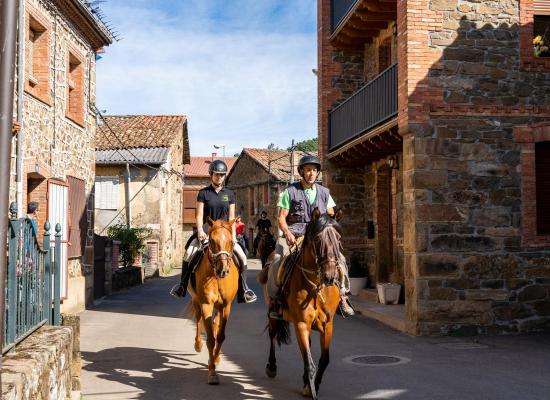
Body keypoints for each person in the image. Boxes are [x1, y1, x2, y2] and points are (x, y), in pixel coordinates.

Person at [267, 155, 355, 318]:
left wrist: (332, 229)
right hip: (295, 234)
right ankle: (276, 301)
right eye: (308, 170)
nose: (311, 173)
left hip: (317, 236)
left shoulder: (325, 193)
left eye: (314, 170)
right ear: (301, 172)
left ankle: (343, 296)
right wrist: (287, 233)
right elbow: (281, 218)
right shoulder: (290, 191)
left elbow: (330, 216)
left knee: (340, 259)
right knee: (277, 261)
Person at [170, 160, 257, 303]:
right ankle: (182, 286)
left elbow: (231, 218)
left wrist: (233, 236)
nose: (219, 178)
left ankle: (244, 289)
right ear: (211, 175)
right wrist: (199, 230)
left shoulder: (229, 194)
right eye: (217, 175)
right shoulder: (204, 193)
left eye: (222, 175)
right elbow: (199, 215)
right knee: (189, 253)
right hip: (207, 228)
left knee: (242, 256)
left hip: (225, 231)